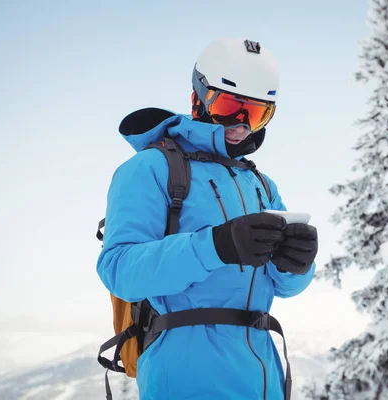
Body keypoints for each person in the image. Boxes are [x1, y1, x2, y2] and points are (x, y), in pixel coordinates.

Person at [96, 37, 318, 400]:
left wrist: (298, 264)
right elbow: (119, 270)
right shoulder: (149, 168)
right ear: (198, 98)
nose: (241, 123)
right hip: (184, 375)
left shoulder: (261, 184)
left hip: (263, 378)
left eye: (258, 112)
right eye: (231, 105)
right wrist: (215, 246)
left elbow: (284, 287)